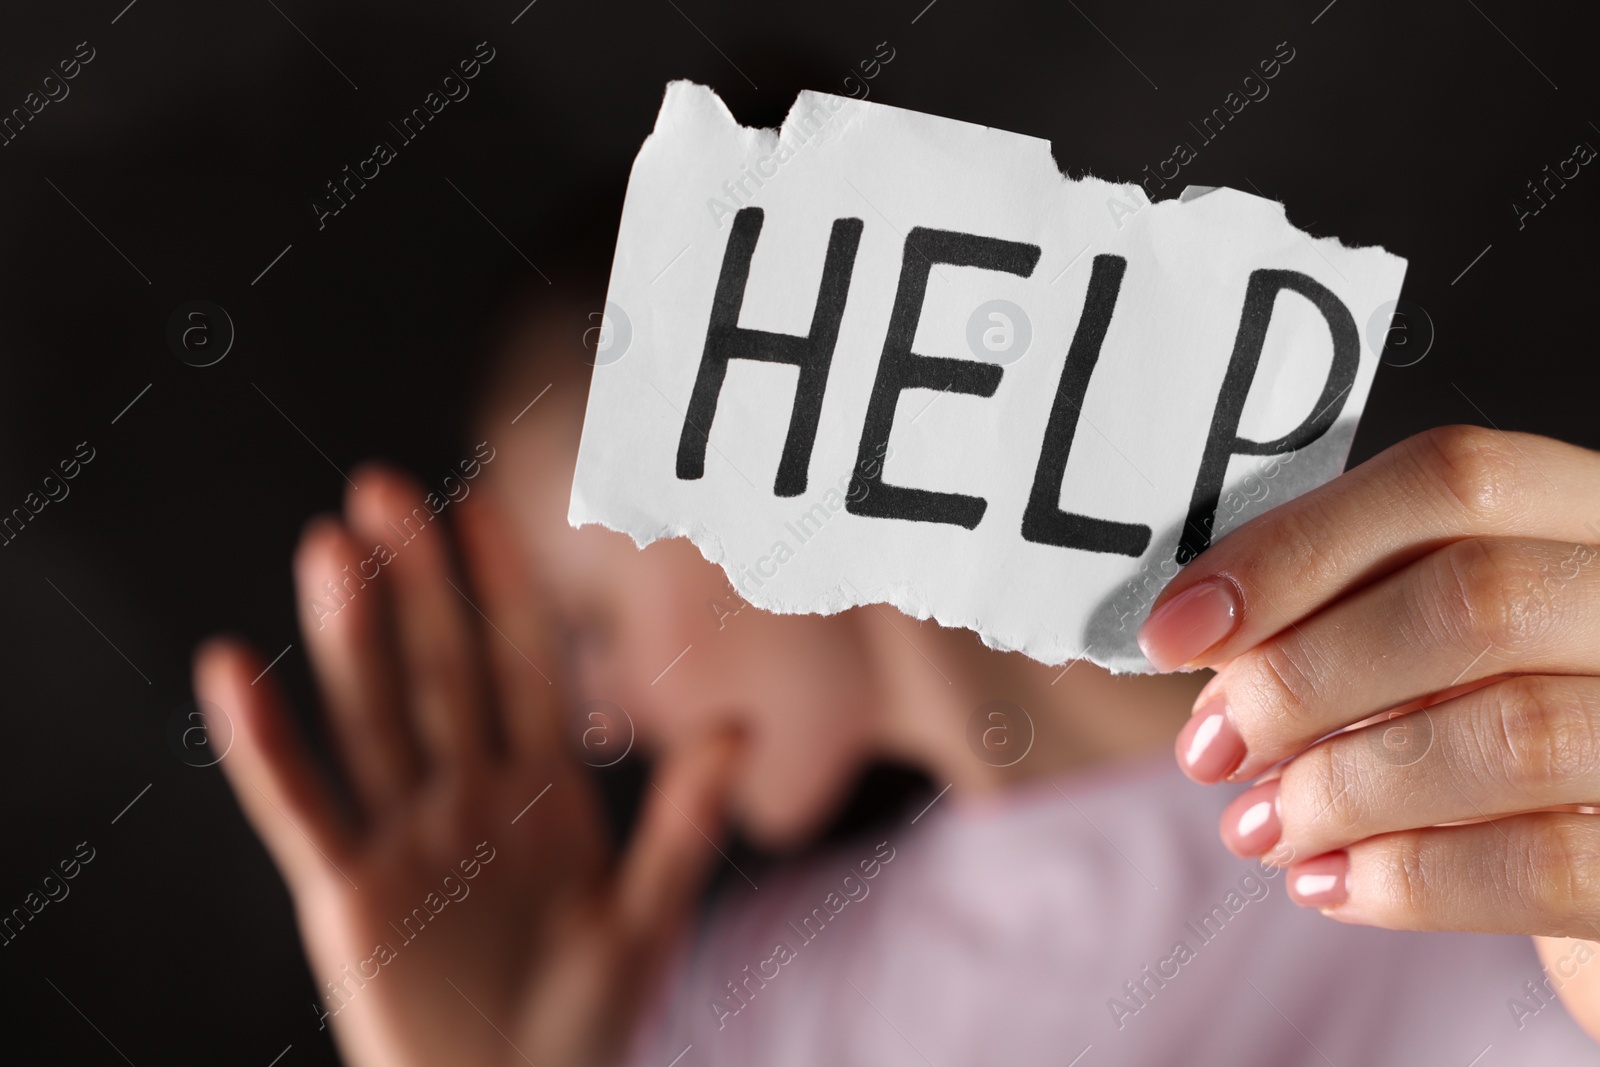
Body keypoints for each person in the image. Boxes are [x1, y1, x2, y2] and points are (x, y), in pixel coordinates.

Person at [193, 300, 1600, 1065]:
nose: (601, 715)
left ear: (766, 418)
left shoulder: (1475, 742)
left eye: (584, 624)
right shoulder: (712, 1014)